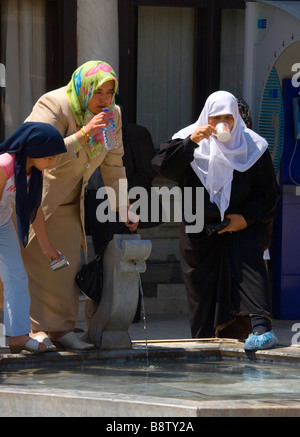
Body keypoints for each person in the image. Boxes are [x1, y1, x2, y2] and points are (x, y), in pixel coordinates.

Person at [22, 61, 138, 351]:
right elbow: (36, 153)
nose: (105, 100)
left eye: (110, 93)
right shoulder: (54, 104)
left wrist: (124, 206)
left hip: (72, 200)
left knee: (67, 266)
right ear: (85, 88)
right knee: (37, 265)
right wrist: (84, 133)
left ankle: (62, 330)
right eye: (99, 92)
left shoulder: (114, 115)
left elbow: (114, 162)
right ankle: (34, 331)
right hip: (37, 198)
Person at [152, 90, 280, 351]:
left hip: (241, 227)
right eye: (215, 117)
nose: (222, 123)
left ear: (236, 119)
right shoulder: (188, 139)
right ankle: (204, 344)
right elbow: (163, 167)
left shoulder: (253, 146)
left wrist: (245, 219)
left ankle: (261, 330)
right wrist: (191, 142)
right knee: (202, 291)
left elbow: (268, 192)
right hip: (200, 230)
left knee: (248, 268)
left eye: (228, 117)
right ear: (206, 117)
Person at [0, 122, 67, 353]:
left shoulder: (32, 172)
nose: (53, 162)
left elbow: (33, 207)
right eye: (50, 157)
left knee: (16, 276)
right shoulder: (5, 165)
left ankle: (18, 336)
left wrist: (46, 246)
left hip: (1, 224)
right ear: (33, 151)